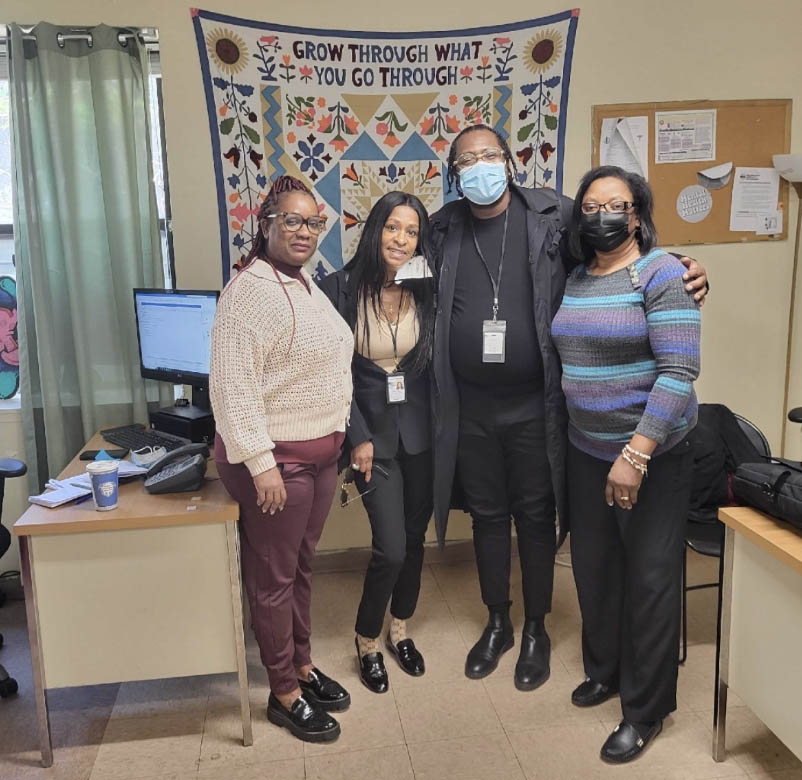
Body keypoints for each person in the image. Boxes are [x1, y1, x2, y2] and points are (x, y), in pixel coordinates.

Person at [428, 125, 709, 692]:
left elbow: (623, 250)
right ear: (454, 175)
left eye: (489, 155)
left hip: (540, 407)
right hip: (472, 409)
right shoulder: (440, 230)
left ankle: (536, 628)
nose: (480, 166)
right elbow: (384, 267)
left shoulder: (552, 214)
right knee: (487, 517)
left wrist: (682, 266)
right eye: (466, 160)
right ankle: (498, 622)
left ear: (508, 161)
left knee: (536, 517)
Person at [552, 166, 700, 762]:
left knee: (650, 580)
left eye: (615, 204)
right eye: (589, 206)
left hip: (652, 458)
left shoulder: (664, 272)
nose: (602, 214)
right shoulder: (579, 277)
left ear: (637, 213)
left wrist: (635, 456)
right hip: (586, 452)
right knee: (595, 571)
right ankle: (606, 671)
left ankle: (645, 710)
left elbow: (680, 371)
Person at [210, 175, 354, 743]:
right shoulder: (247, 292)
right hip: (275, 464)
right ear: (266, 223)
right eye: (291, 220)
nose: (303, 231)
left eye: (313, 222)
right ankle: (283, 692)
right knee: (273, 578)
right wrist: (260, 462)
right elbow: (231, 387)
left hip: (318, 459)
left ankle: (301, 664)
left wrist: (340, 431)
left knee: (300, 567)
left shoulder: (304, 284)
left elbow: (326, 364)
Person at [318, 192, 436, 693]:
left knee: (414, 540)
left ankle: (400, 628)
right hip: (370, 438)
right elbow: (329, 372)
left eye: (411, 232)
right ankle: (367, 638)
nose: (401, 240)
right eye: (393, 227)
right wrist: (356, 437)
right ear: (375, 231)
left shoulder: (427, 288)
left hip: (424, 434)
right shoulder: (339, 289)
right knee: (389, 548)